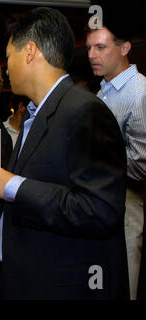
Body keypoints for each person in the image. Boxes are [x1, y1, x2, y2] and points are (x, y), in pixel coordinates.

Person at [0, 7, 129, 299]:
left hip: (49, 282)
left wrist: (12, 186)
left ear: (30, 51)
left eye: (8, 57)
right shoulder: (36, 112)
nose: (6, 68)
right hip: (13, 272)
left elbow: (100, 211)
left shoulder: (85, 111)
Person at [86, 20, 146, 300]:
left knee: (124, 284)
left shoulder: (139, 94)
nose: (91, 55)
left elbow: (142, 167)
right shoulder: (105, 89)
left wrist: (99, 165)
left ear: (125, 48)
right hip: (101, 201)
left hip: (125, 203)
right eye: (89, 48)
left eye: (100, 47)